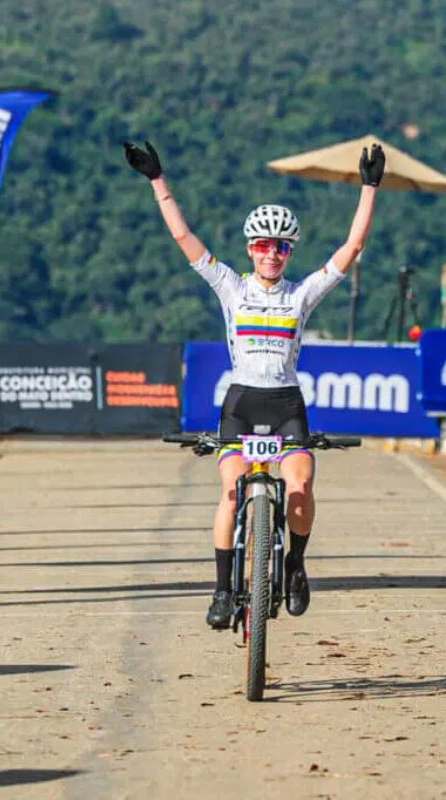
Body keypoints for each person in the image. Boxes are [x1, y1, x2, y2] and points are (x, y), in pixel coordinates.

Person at [124, 139, 385, 628]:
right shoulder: (231, 287)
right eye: (264, 246)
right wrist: (157, 180)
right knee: (230, 491)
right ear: (250, 249)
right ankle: (223, 590)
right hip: (242, 403)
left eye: (280, 247)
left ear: (289, 253)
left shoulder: (301, 295)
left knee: (300, 488)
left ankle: (295, 566)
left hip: (286, 405)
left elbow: (351, 249)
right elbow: (183, 237)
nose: (272, 254)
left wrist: (369, 187)